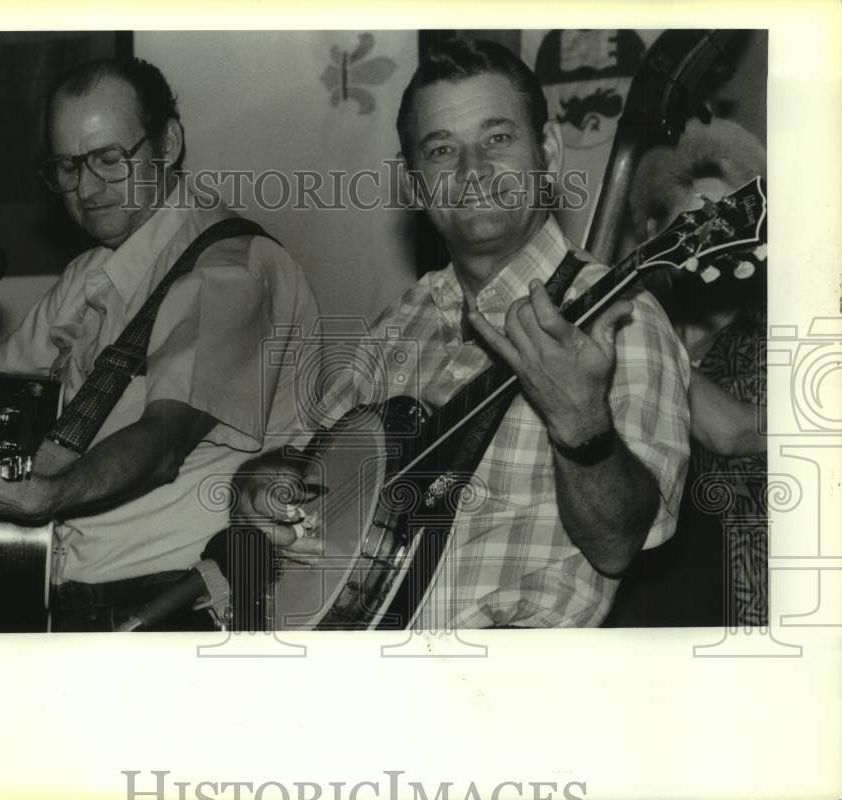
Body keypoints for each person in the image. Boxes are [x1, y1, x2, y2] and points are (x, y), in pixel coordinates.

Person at [233, 38, 691, 629]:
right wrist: (259, 485)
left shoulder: (622, 319)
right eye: (442, 149)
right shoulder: (399, 324)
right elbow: (298, 465)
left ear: (547, 152)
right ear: (416, 183)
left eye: (497, 139)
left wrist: (583, 427)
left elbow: (618, 544)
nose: (472, 172)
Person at [0, 57, 320, 631]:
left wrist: (47, 495)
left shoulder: (231, 270)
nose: (87, 187)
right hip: (46, 591)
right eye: (67, 166)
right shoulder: (89, 273)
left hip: (172, 605)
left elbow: (163, 445)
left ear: (168, 143)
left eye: (109, 159)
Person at [605, 118, 768, 626]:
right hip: (632, 592)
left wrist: (636, 336)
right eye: (693, 229)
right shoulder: (623, 328)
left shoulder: (782, 334)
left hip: (747, 596)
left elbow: (736, 431)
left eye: (730, 228)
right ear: (655, 235)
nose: (712, 245)